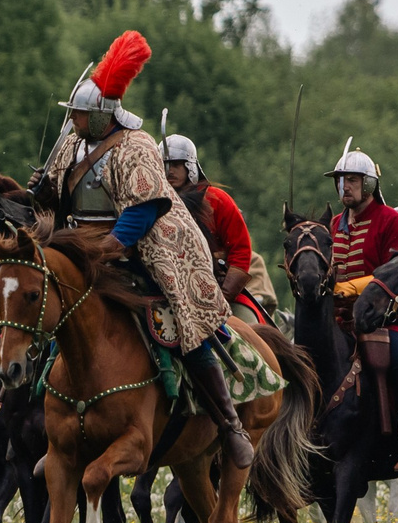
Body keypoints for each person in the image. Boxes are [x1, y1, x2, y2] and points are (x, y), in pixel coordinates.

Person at [36, 30, 251, 469]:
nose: (73, 120)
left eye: (78, 114)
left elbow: (144, 208)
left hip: (139, 251)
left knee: (181, 322)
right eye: (73, 114)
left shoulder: (135, 145)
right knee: (41, 310)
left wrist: (111, 247)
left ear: (100, 116)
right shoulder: (71, 144)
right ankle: (51, 434)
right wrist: (23, 199)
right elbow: (50, 197)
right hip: (80, 250)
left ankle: (230, 426)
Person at [322, 143, 398, 441]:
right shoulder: (335, 224)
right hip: (337, 323)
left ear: (369, 184)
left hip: (383, 321)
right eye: (341, 180)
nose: (344, 187)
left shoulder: (391, 220)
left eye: (352, 180)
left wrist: (353, 289)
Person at [163, 133, 276, 325]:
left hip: (219, 288)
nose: (170, 170)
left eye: (176, 164)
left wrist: (223, 297)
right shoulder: (153, 204)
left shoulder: (217, 199)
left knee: (252, 329)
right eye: (165, 165)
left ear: (189, 166)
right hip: (168, 291)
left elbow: (241, 250)